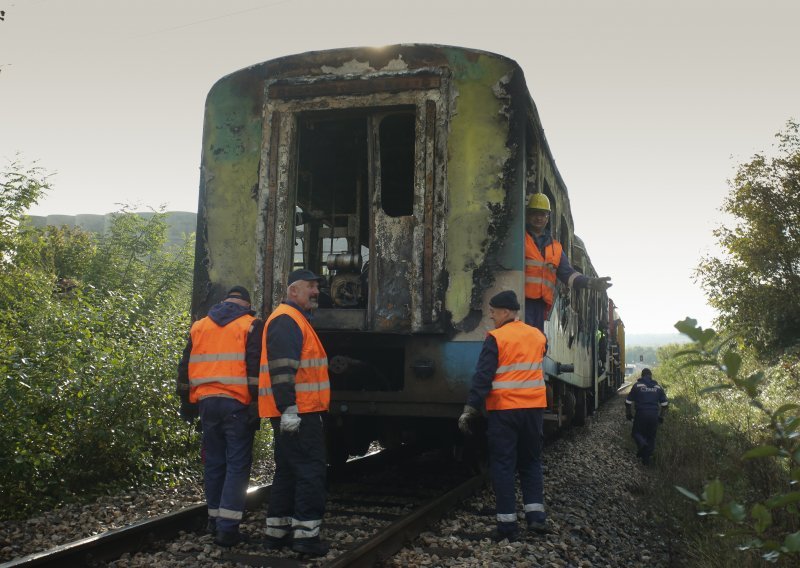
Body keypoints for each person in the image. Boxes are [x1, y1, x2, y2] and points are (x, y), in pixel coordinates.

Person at [458, 290, 549, 541]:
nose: (491, 315)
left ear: (506, 312)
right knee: (530, 462)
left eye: (494, 311)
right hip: (533, 410)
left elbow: (483, 376)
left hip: (505, 410)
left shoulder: (496, 338)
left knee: (503, 464)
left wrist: (471, 409)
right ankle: (536, 519)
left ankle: (508, 526)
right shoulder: (537, 335)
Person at [176, 285, 263, 547]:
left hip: (206, 403)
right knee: (237, 465)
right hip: (236, 404)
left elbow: (185, 366)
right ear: (246, 305)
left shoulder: (200, 325)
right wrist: (257, 404)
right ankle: (228, 528)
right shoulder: (250, 325)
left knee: (214, 462)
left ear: (225, 301)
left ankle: (214, 519)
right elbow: (254, 367)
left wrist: (186, 404)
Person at [258, 269, 330, 557]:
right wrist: (289, 408)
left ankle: (277, 534)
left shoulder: (294, 319)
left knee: (288, 472)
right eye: (310, 287)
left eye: (316, 287)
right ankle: (306, 538)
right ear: (293, 291)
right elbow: (283, 368)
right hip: (300, 412)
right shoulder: (287, 320)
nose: (315, 292)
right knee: (311, 471)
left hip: (298, 410)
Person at [524, 193, 612, 331]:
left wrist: (591, 282)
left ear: (547, 218)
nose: (538, 218)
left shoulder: (556, 247)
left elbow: (568, 275)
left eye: (542, 214)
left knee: (537, 343)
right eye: (535, 213)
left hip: (541, 306)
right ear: (528, 215)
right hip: (522, 303)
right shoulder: (521, 239)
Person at [625, 368, 669, 466]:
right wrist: (661, 417)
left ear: (642, 375)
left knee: (636, 433)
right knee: (651, 436)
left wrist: (628, 414)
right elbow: (665, 405)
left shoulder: (637, 386)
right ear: (651, 376)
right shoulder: (658, 387)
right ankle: (646, 460)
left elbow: (628, 402)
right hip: (654, 414)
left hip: (641, 414)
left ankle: (643, 445)